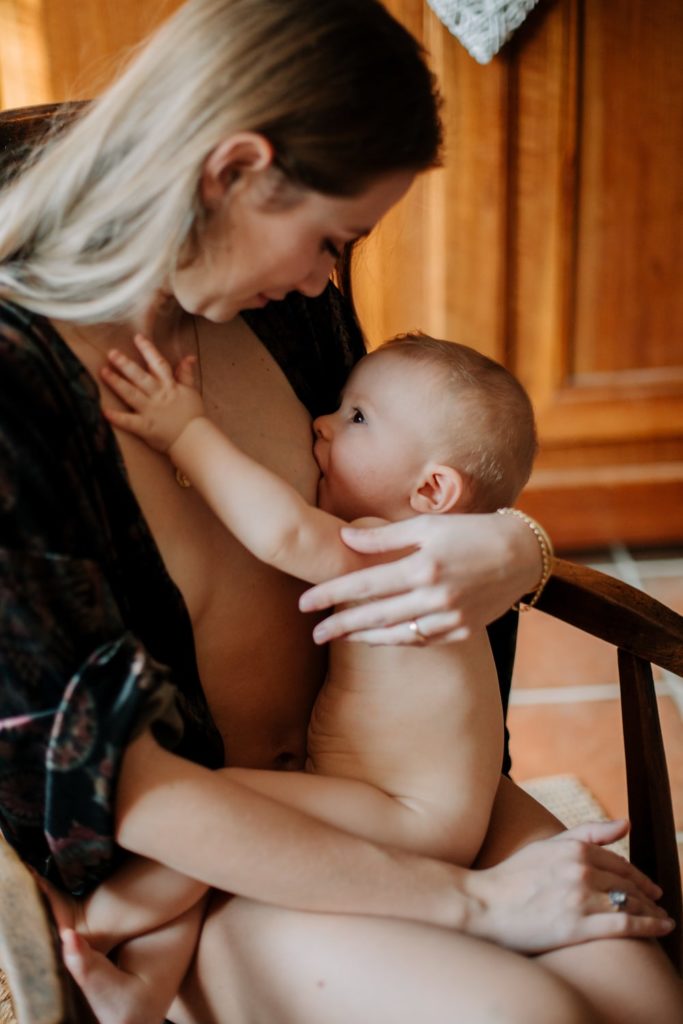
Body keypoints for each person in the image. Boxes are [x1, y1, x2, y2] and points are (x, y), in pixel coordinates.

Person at [0, 1, 679, 1023]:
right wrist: (472, 903)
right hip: (211, 846)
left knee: (640, 996)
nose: (330, 275)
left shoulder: (277, 303)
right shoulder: (18, 391)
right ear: (230, 172)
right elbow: (119, 786)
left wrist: (515, 545)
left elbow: (404, 489)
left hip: (382, 779)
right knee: (522, 1015)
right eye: (329, 238)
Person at [43, 331, 533, 1021]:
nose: (322, 422)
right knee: (220, 850)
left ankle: (93, 924)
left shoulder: (392, 555)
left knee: (224, 804)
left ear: (429, 488)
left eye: (357, 418)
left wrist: (186, 430)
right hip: (395, 797)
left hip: (412, 813)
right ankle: (140, 995)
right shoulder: (433, 561)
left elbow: (281, 534)